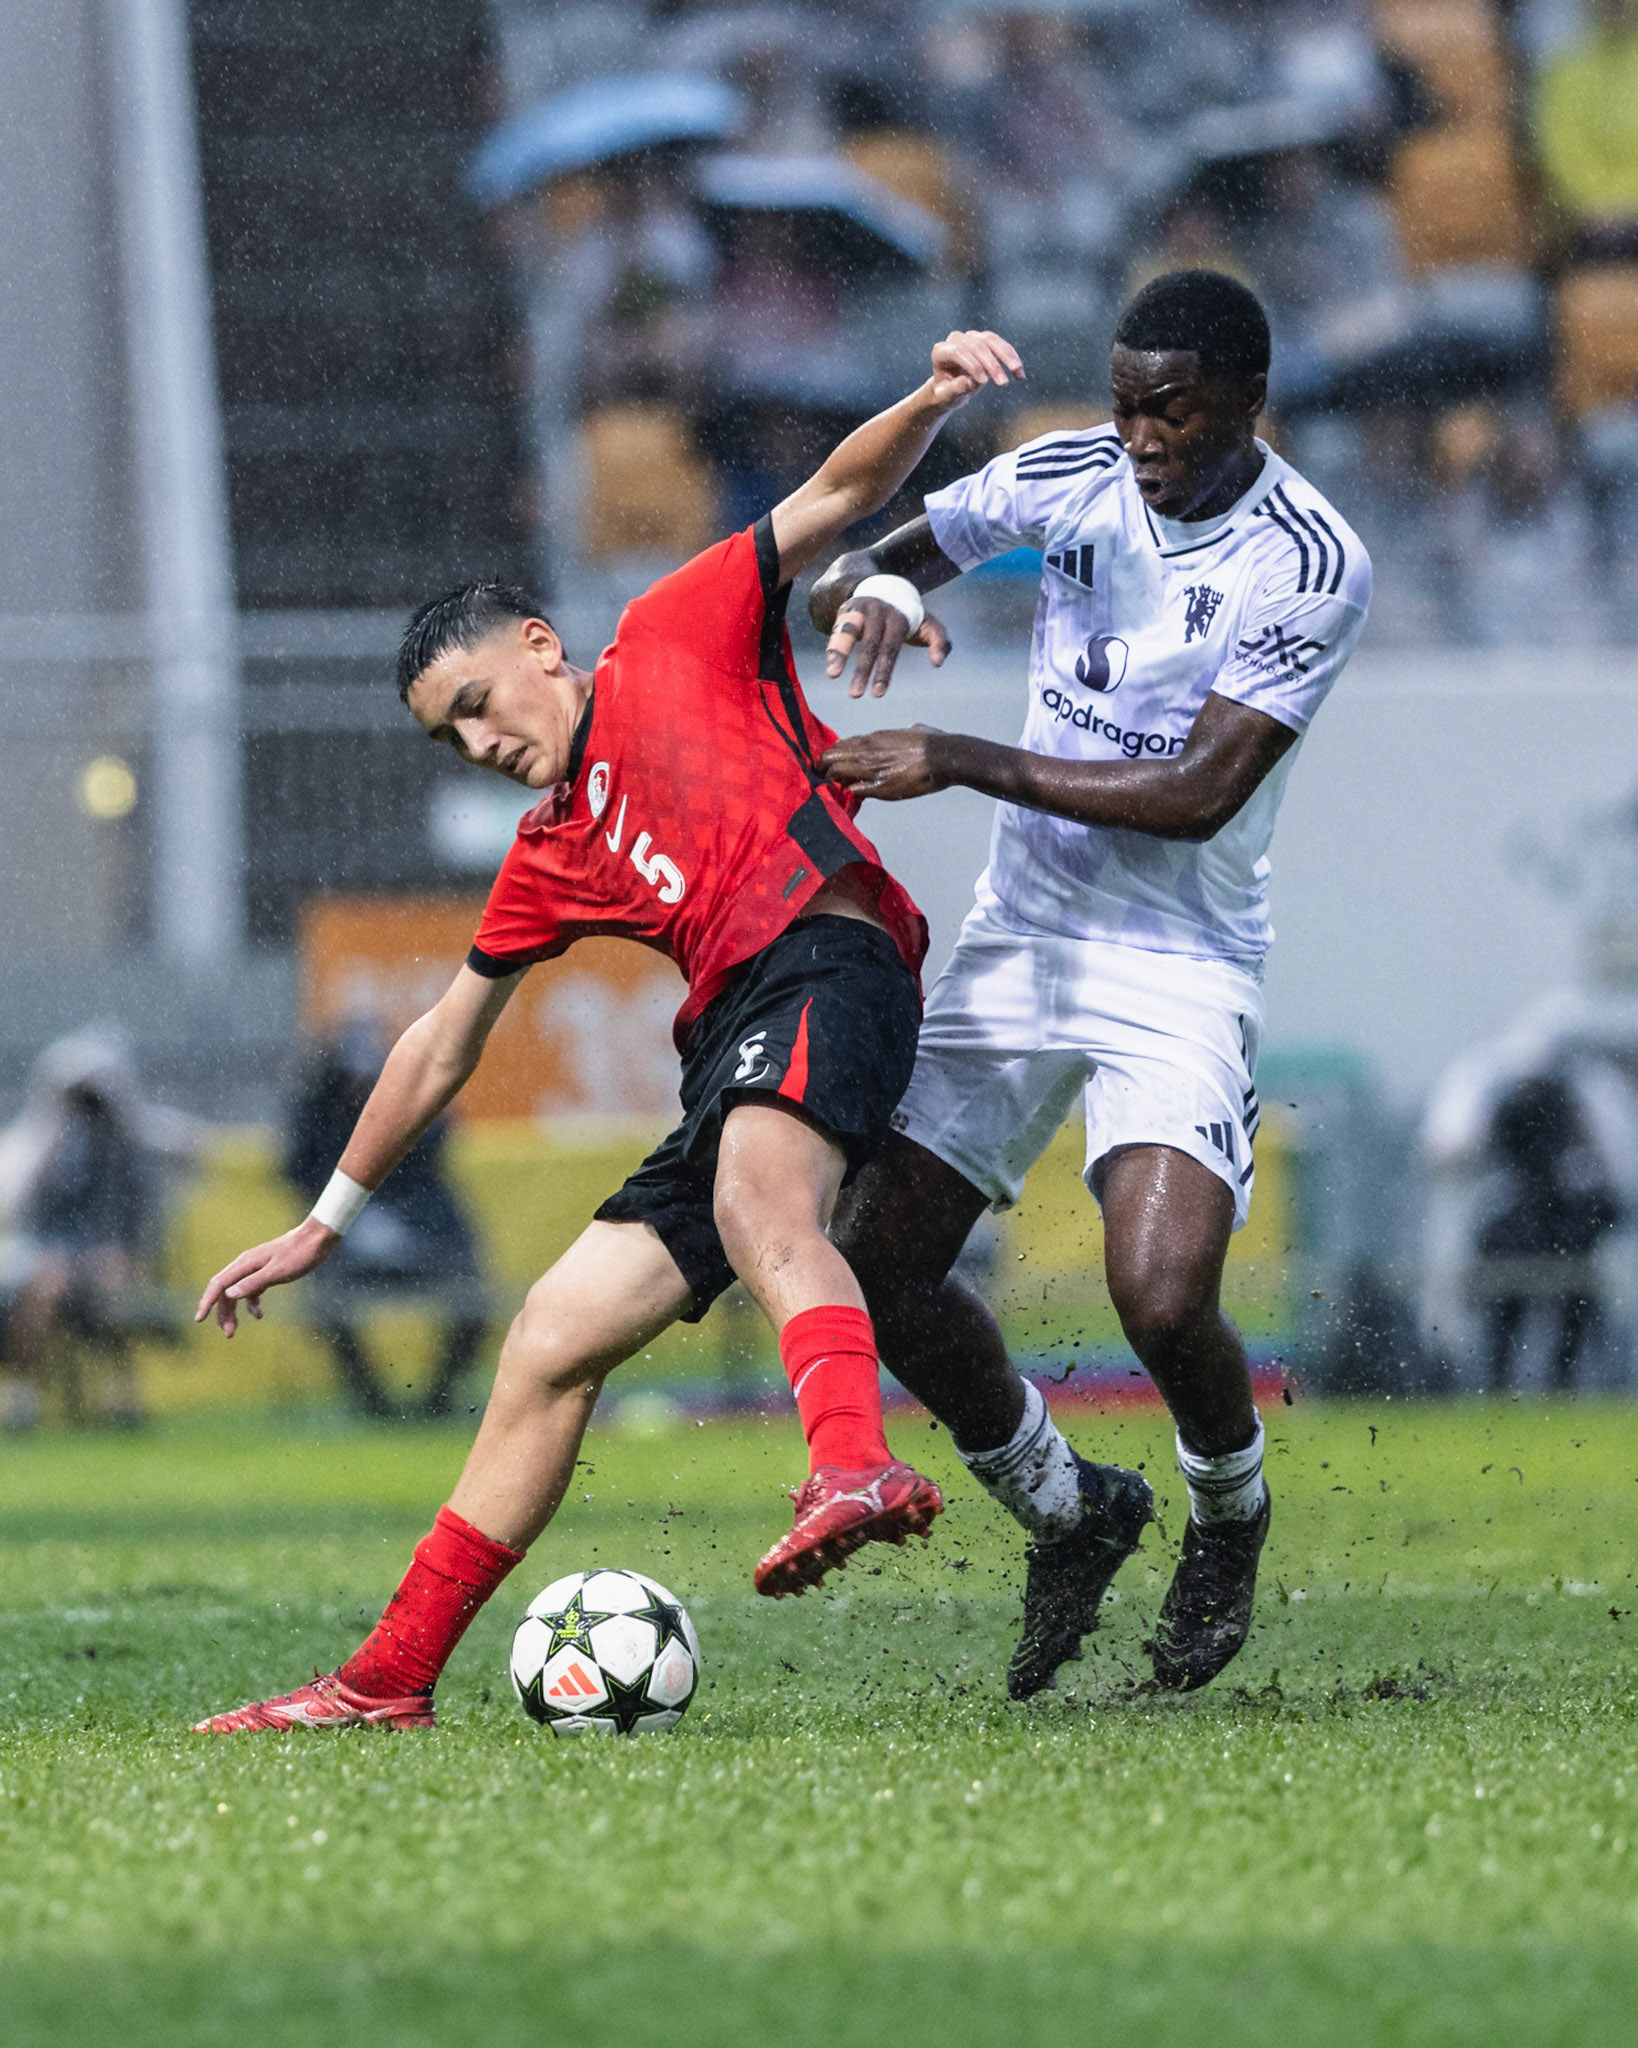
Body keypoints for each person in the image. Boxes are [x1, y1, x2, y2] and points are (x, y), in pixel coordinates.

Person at [189, 328, 1025, 1735]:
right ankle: (384, 1679)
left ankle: (848, 1466)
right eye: (446, 741)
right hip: (729, 1048)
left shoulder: (668, 635)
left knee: (766, 1200)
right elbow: (437, 1047)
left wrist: (932, 401)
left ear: (536, 647)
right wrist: (325, 1220)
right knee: (547, 1341)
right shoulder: (548, 850)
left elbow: (829, 494)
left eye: (474, 706)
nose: (477, 743)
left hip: (832, 958)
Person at [812, 270, 1372, 1697]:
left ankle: (1228, 1512)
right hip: (1024, 938)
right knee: (876, 1260)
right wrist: (882, 579)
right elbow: (900, 546)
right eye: (1124, 402)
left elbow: (1192, 792)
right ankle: (1069, 1510)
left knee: (1161, 1297)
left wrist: (961, 755)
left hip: (1177, 957)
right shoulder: (1071, 466)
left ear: (1249, 400)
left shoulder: (1307, 562)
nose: (1136, 434)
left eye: (1169, 409)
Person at [284, 1022, 488, 1421]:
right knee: (328, 1306)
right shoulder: (320, 1116)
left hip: (420, 1233)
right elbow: (297, 1169)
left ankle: (438, 1397)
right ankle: (372, 1403)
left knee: (474, 1297)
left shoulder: (411, 1106)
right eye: (353, 1080)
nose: (362, 1089)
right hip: (346, 1243)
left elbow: (436, 1146)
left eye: (372, 1080)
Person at [0, 1028, 199, 1431]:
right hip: (48, 1252)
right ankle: (25, 1395)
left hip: (107, 1253)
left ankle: (123, 1395)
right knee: (45, 1287)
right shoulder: (40, 1142)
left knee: (113, 1289)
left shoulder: (126, 1142)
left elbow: (184, 1146)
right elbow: (15, 1193)